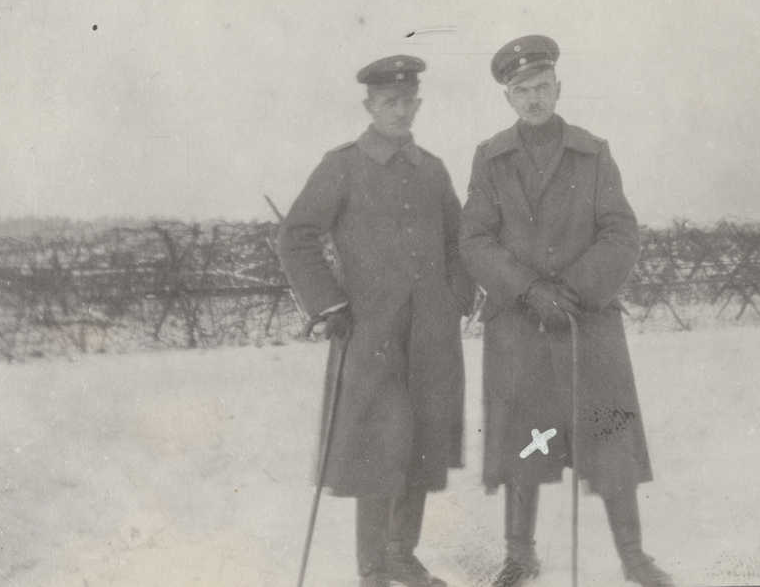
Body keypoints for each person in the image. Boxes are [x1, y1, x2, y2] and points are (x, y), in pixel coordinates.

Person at [459, 35, 674, 587]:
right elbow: (475, 240)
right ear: (508, 98)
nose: (533, 98)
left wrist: (574, 289)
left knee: (609, 435)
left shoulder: (592, 152)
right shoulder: (490, 158)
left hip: (588, 322)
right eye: (521, 90)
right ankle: (519, 554)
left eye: (541, 87)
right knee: (525, 439)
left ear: (559, 88)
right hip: (519, 324)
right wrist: (529, 289)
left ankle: (633, 555)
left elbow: (620, 233)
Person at [277, 55, 475, 587]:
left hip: (431, 334)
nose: (400, 111)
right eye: (390, 101)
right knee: (377, 449)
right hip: (372, 333)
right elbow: (296, 236)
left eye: (409, 101)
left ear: (419, 104)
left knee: (422, 443)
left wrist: (459, 294)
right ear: (370, 105)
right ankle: (372, 569)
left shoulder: (432, 169)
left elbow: (458, 240)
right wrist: (330, 304)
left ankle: (401, 554)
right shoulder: (342, 165)